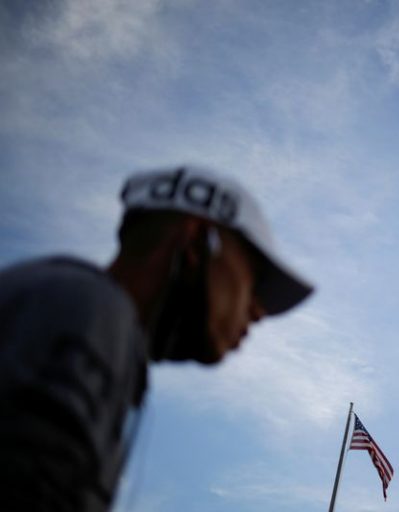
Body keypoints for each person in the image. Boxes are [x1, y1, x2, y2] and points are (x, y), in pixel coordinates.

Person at [0, 165, 313, 511]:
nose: (258, 311)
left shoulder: (61, 300)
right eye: (254, 282)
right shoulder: (93, 309)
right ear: (197, 243)